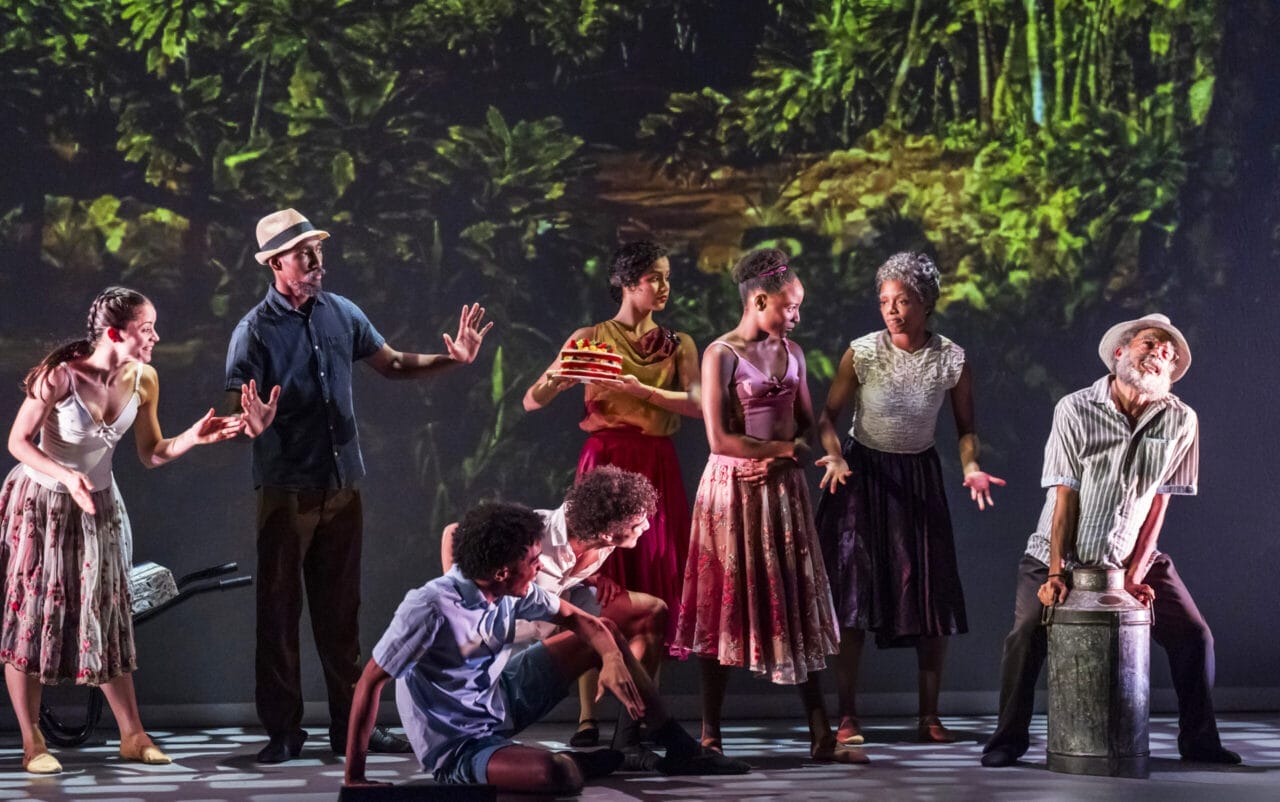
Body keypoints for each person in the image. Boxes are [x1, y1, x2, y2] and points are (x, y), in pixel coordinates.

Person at [225, 208, 493, 764]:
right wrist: (246, 425)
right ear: (276, 263)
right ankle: (284, 731)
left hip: (342, 486)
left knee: (341, 614)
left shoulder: (341, 313)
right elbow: (236, 413)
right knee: (278, 614)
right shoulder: (253, 330)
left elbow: (392, 364)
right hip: (286, 489)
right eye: (304, 253)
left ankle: (355, 727)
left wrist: (453, 359)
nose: (317, 261)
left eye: (318, 250)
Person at [0, 286, 243, 774]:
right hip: (45, 504)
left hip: (102, 506)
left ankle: (133, 735)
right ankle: (32, 742)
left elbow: (151, 453)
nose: (155, 337)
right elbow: (18, 442)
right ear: (116, 333)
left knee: (108, 613)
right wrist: (68, 478)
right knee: (34, 615)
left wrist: (195, 437)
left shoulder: (144, 379)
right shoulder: (61, 376)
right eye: (146, 328)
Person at [343, 502, 749, 793]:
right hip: (459, 746)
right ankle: (581, 762)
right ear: (503, 571)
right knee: (559, 776)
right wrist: (354, 776)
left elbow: (583, 621)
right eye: (534, 562)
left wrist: (609, 656)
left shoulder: (512, 589)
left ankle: (678, 746)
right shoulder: (428, 607)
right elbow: (369, 683)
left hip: (501, 697)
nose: (542, 568)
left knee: (607, 628)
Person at [981, 313, 1241, 767]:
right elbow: (1063, 498)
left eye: (1168, 352)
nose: (1159, 354)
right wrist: (1058, 572)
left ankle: (1199, 741)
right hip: (1058, 551)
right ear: (1120, 352)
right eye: (1149, 344)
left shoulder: (1181, 420)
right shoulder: (1075, 408)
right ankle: (1008, 741)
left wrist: (1136, 574)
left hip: (1132, 555)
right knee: (1025, 635)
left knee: (1195, 636)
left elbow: (1160, 504)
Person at [671, 247, 866, 764]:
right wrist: (784, 451)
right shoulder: (721, 354)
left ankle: (820, 731)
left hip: (782, 495)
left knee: (795, 600)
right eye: (791, 306)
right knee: (724, 603)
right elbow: (719, 438)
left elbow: (809, 419)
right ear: (760, 300)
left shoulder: (793, 353)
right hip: (734, 493)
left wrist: (830, 452)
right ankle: (710, 732)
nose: (797, 316)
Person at [813, 252, 1005, 745]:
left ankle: (929, 716)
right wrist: (835, 457)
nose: (892, 310)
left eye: (903, 301)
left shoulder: (951, 359)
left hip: (918, 477)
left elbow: (966, 431)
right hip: (862, 476)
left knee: (930, 593)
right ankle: (848, 716)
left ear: (926, 302)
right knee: (853, 596)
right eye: (884, 301)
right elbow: (825, 420)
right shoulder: (862, 352)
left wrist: (971, 467)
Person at [522, 240, 699, 746]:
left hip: (655, 466)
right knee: (594, 584)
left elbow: (698, 406)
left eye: (666, 277)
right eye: (655, 278)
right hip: (605, 463)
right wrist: (557, 376)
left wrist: (638, 390)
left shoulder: (678, 344)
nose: (664, 287)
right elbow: (533, 400)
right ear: (627, 282)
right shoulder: (592, 338)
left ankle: (639, 718)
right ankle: (585, 717)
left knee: (654, 585)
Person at [441, 466, 666, 768]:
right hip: (507, 666)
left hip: (549, 627)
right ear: (606, 531)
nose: (647, 527)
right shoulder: (535, 532)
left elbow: (563, 570)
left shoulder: (597, 537)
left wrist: (592, 578)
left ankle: (628, 742)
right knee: (605, 630)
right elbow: (453, 532)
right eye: (638, 523)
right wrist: (461, 603)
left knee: (650, 612)